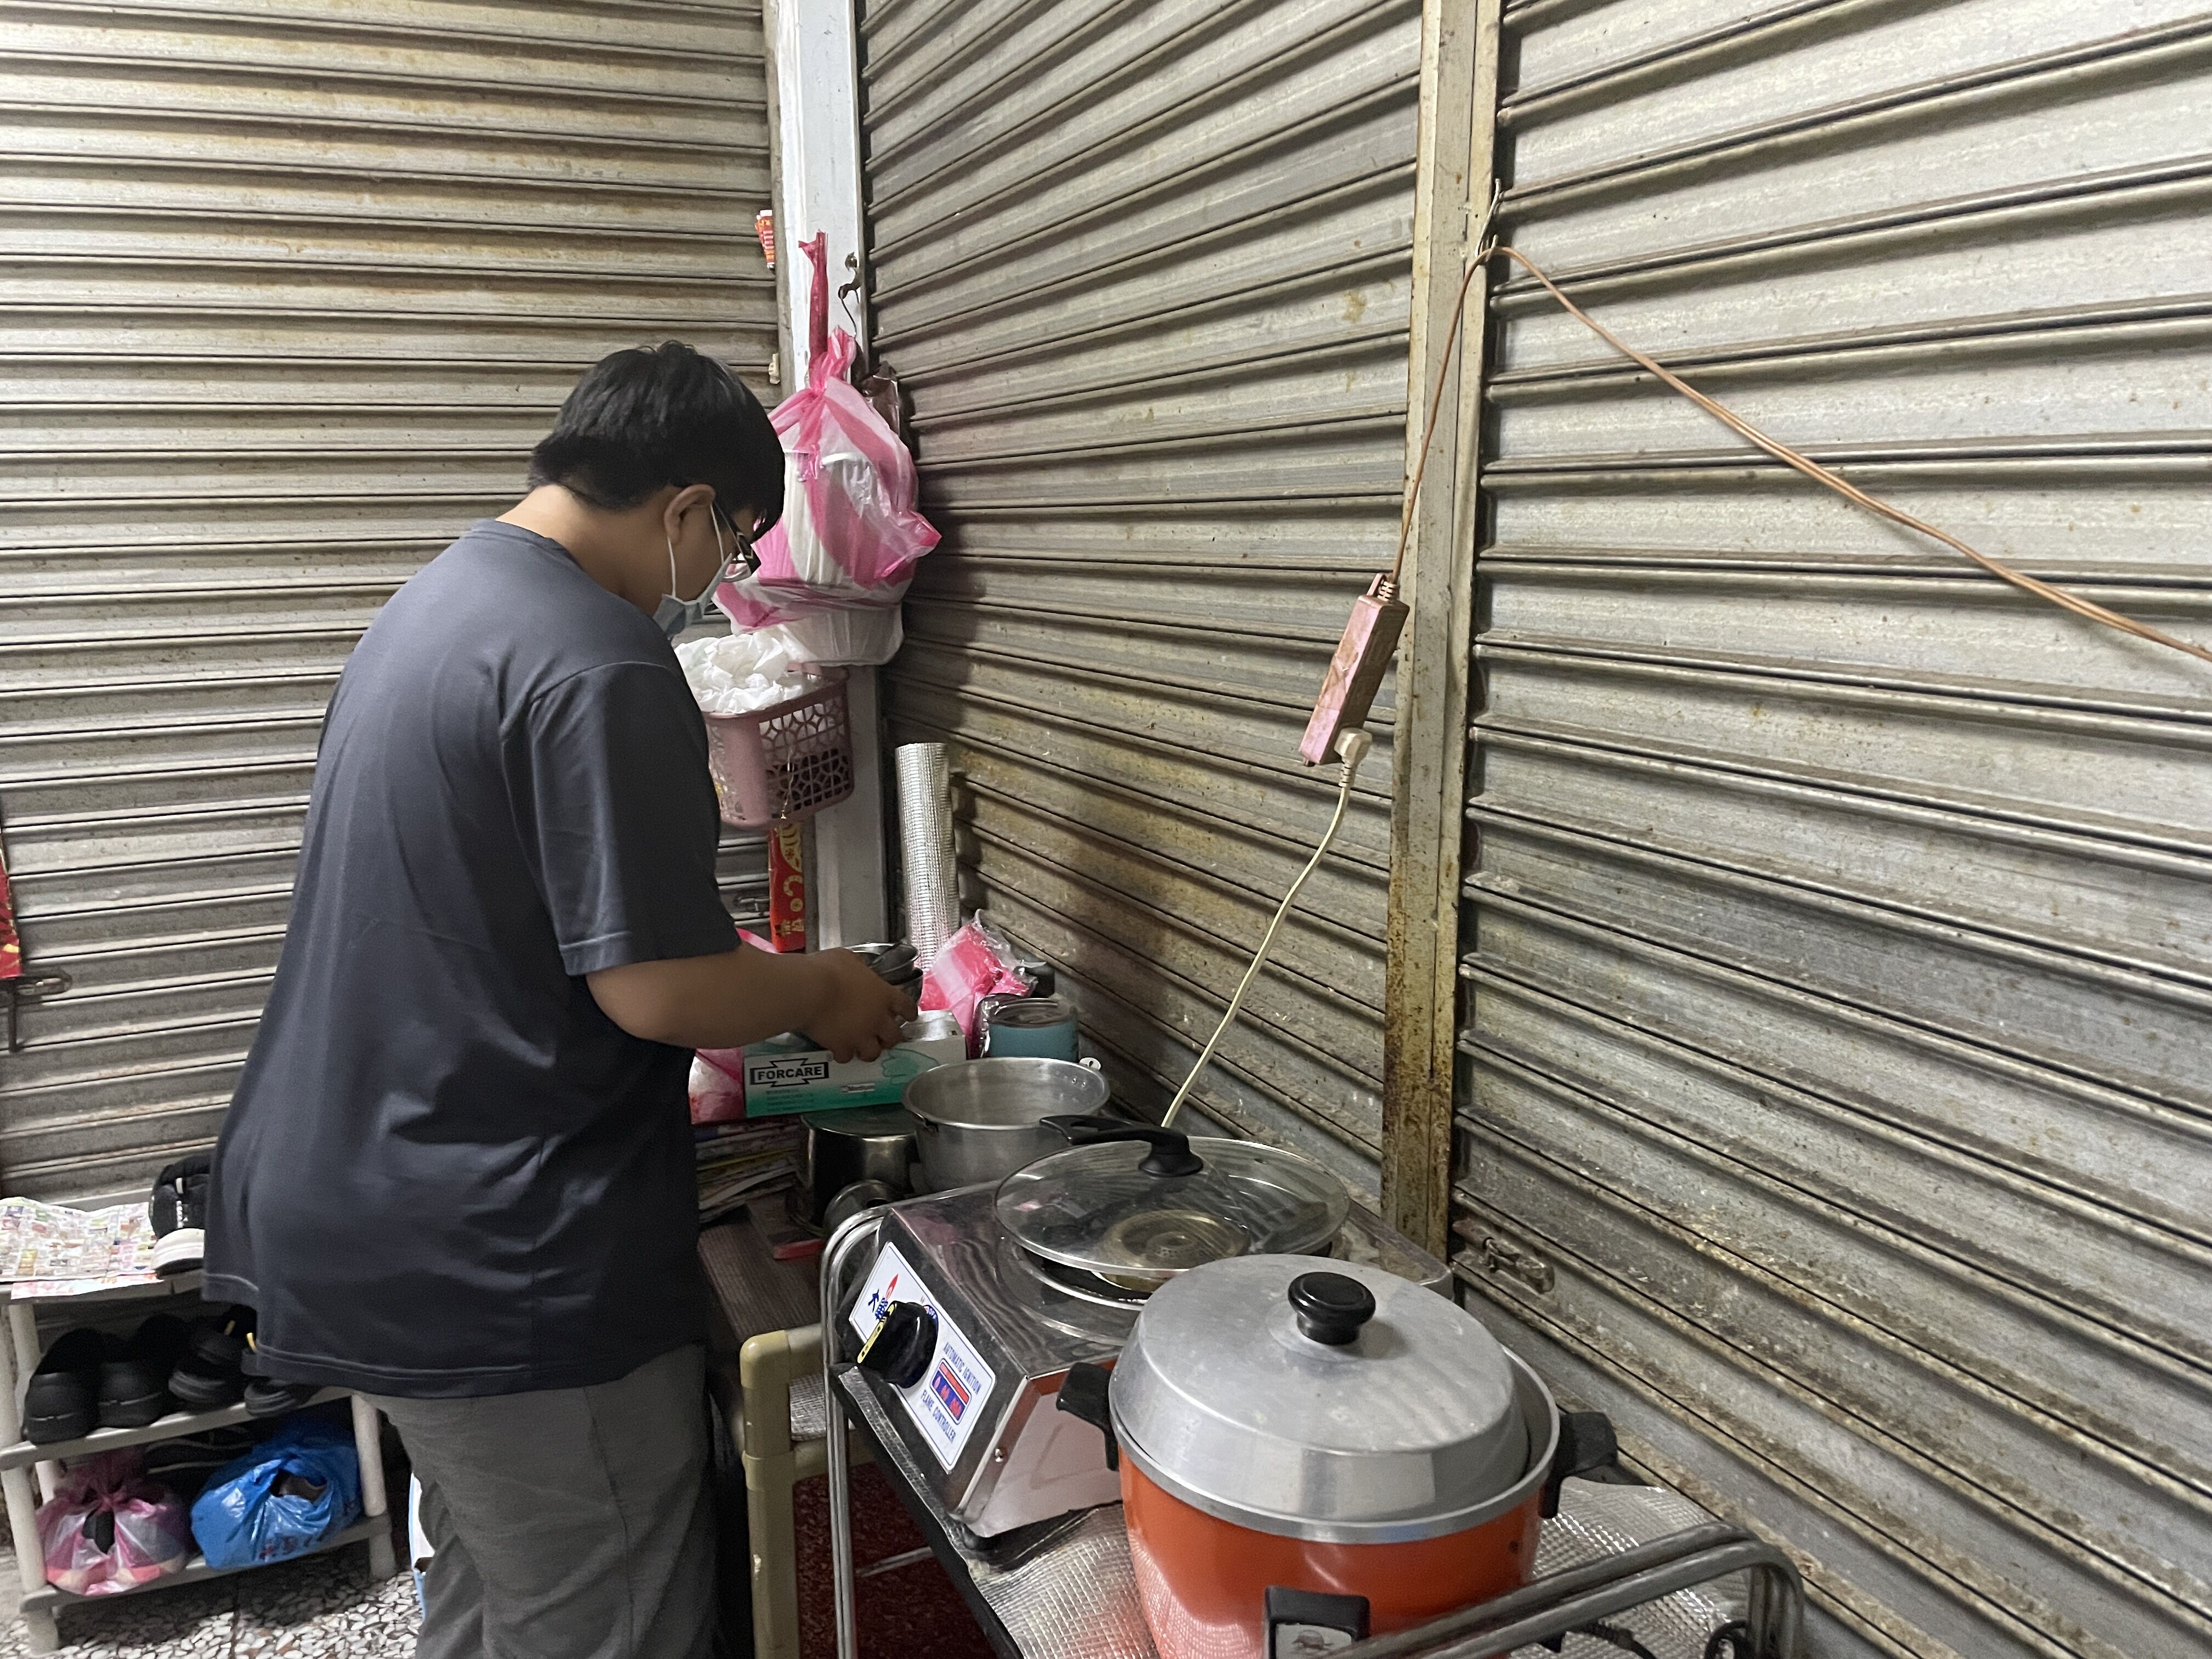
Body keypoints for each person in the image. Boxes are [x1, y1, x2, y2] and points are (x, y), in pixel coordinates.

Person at [205, 341, 911, 1659]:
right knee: (605, 1615)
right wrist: (818, 986)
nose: (724, 581)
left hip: (360, 1203)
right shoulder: (598, 659)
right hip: (494, 1249)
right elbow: (651, 990)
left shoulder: (436, 605)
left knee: (494, 1586)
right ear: (688, 508)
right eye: (740, 546)